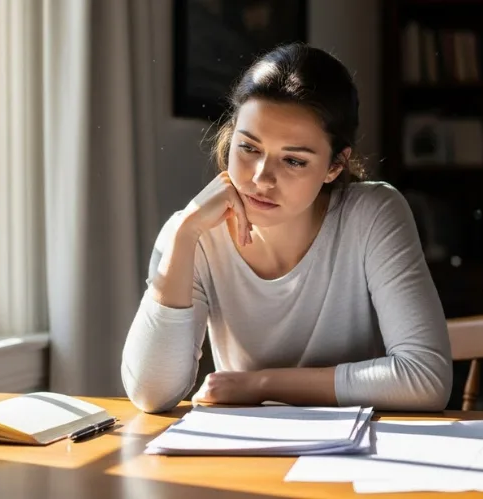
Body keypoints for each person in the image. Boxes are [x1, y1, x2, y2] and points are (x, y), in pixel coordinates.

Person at [121, 43, 453, 414]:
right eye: (249, 148)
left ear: (334, 166)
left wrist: (261, 384)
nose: (262, 178)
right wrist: (184, 236)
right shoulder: (194, 231)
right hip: (246, 457)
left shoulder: (373, 215)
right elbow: (150, 393)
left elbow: (426, 379)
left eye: (293, 160)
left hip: (359, 455)